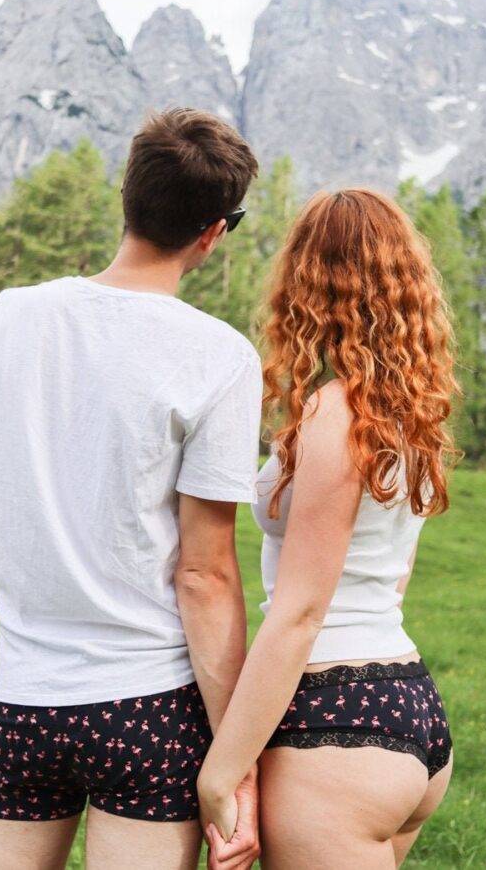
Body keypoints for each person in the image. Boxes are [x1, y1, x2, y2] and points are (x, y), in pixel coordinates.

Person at [0, 108, 261, 870]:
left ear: (126, 196)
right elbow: (205, 573)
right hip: (151, 707)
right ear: (214, 231)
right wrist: (236, 756)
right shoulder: (220, 357)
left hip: (25, 703)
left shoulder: (8, 317)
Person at [198, 189, 459, 870]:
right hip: (407, 702)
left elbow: (300, 613)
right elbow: (391, 579)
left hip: (335, 721)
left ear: (308, 283)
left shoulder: (333, 416)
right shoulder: (411, 416)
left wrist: (221, 771)